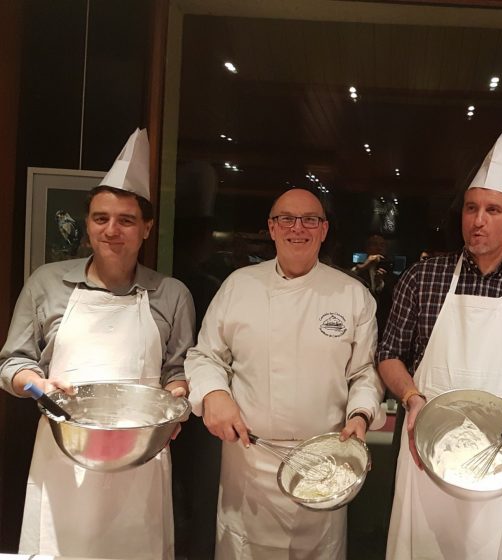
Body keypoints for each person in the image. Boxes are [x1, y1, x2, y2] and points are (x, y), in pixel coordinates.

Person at [0, 128, 196, 559]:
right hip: (63, 449)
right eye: (100, 218)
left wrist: (175, 402)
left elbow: (178, 372)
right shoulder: (47, 283)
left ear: (146, 229)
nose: (112, 230)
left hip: (141, 454)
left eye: (126, 220)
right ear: (87, 225)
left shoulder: (172, 293)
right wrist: (39, 387)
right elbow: (13, 362)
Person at [378, 133, 502, 560]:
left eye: (492, 210)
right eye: (470, 207)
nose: (478, 220)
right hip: (426, 449)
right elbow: (388, 354)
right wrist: (411, 398)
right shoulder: (423, 277)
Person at [184, 187, 386, 559]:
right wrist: (214, 394)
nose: (298, 228)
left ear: (323, 230)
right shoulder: (238, 287)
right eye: (286, 219)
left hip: (325, 460)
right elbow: (204, 356)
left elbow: (364, 374)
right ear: (272, 229)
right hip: (249, 461)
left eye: (310, 219)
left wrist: (361, 413)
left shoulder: (352, 294)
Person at [351, 234, 397, 336]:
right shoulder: (360, 268)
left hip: (382, 325)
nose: (378, 248)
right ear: (366, 248)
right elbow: (346, 280)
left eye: (382, 245)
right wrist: (364, 266)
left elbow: (393, 299)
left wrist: (380, 284)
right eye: (374, 244)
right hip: (358, 320)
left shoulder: (391, 273)